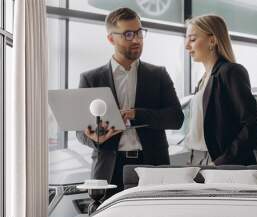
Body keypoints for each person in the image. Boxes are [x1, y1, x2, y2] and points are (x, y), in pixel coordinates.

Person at [76, 8, 184, 194]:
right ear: (111, 39)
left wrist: (136, 114)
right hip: (109, 169)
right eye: (128, 34)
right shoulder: (91, 79)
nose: (136, 40)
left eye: (139, 32)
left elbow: (176, 118)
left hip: (151, 165)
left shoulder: (158, 75)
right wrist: (95, 138)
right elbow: (81, 131)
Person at [184, 14, 257, 165]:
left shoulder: (231, 72)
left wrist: (223, 162)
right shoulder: (204, 79)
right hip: (196, 159)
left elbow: (253, 127)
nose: (187, 45)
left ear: (212, 40)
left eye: (193, 39)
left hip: (218, 162)